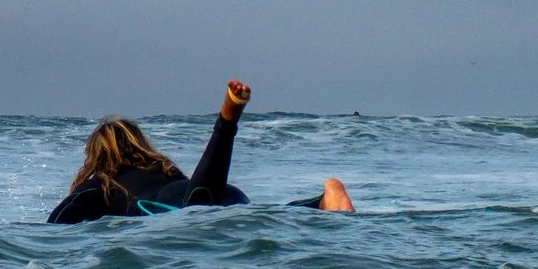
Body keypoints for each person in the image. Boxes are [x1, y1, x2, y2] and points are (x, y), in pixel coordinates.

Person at [47, 80, 354, 224]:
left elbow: (59, 217)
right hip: (227, 194)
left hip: (183, 202)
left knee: (197, 208)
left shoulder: (102, 183)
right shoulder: (164, 170)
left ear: (96, 157)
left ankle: (227, 120)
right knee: (252, 212)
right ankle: (323, 201)